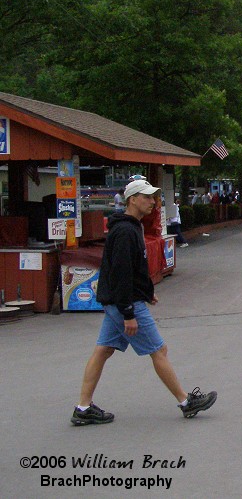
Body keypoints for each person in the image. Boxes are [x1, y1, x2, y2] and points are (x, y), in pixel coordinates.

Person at [71, 179, 217, 426]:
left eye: (153, 197)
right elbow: (121, 273)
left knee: (104, 350)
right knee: (158, 350)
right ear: (132, 200)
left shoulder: (129, 227)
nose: (152, 201)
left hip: (119, 300)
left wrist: (146, 291)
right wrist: (129, 312)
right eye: (147, 197)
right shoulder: (127, 231)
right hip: (125, 303)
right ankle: (185, 402)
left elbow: (130, 270)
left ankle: (83, 407)